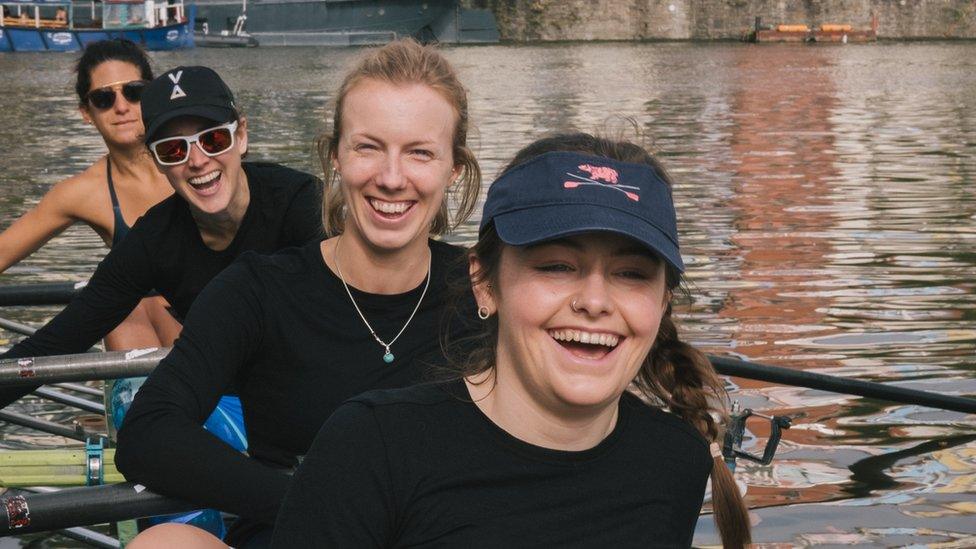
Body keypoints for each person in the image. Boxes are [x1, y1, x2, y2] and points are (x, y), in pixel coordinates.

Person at [272, 134, 753, 548]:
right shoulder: (370, 448)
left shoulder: (675, 461)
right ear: (485, 283)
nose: (595, 300)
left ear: (663, 303)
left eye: (631, 274)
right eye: (557, 266)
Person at [116, 38, 481, 548]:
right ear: (335, 156)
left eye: (419, 152)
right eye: (368, 147)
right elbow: (149, 433)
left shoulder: (486, 290)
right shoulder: (257, 289)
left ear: (453, 169)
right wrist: (320, 500)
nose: (392, 178)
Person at [0, 64, 324, 418]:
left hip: (316, 392)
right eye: (173, 150)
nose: (198, 161)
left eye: (213, 139)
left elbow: (355, 313)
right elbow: (62, 338)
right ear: (157, 161)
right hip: (224, 403)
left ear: (241, 136)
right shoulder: (154, 237)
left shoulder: (303, 203)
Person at [0, 39, 178, 355]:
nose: (121, 106)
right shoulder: (83, 191)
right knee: (121, 306)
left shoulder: (196, 157)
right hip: (137, 349)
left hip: (214, 342)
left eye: (134, 91)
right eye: (104, 98)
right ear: (86, 112)